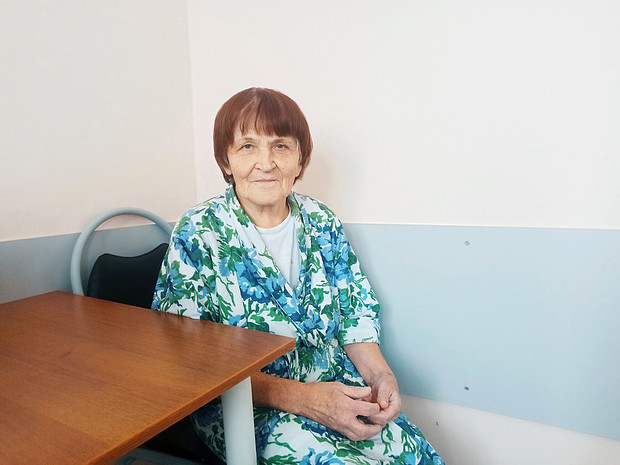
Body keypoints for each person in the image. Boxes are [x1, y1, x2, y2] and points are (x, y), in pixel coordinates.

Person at [152, 87, 444, 464]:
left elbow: (355, 315)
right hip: (246, 408)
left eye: (280, 146)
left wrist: (381, 377)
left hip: (337, 387)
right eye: (247, 146)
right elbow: (188, 358)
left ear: (299, 159)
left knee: (414, 455)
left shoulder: (321, 221)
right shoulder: (198, 231)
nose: (266, 163)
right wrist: (305, 399)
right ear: (226, 160)